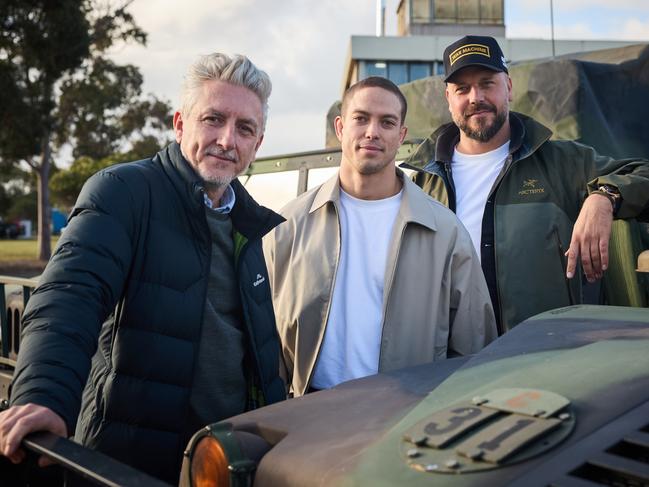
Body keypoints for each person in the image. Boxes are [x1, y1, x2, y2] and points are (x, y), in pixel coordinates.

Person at [0, 53, 285, 483]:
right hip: (128, 462)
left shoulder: (252, 223)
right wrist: (43, 397)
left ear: (257, 145)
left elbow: (255, 353)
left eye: (245, 128)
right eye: (213, 119)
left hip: (222, 462)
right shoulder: (123, 193)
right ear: (179, 123)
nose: (228, 140)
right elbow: (69, 297)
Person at [264, 77, 497, 398]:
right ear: (341, 127)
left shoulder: (445, 232)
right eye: (361, 118)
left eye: (386, 122)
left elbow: (475, 348)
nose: (372, 131)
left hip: (407, 419)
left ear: (400, 135)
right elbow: (265, 342)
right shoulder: (287, 226)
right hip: (309, 414)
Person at [405, 35, 649, 333]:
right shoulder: (420, 184)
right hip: (451, 364)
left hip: (543, 359)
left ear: (508, 87)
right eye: (462, 89)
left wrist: (604, 197)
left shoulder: (560, 162)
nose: (475, 98)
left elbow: (642, 172)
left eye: (486, 83)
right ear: (448, 99)